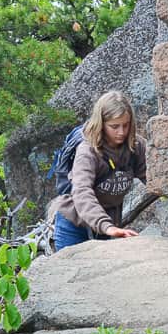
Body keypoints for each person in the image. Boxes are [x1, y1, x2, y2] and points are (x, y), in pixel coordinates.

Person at [52, 90, 147, 251]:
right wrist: (106, 226)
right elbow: (82, 191)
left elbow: (152, 178)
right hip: (74, 224)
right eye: (114, 126)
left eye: (126, 124)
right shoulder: (88, 151)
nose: (121, 132)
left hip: (106, 223)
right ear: (101, 124)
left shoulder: (135, 146)